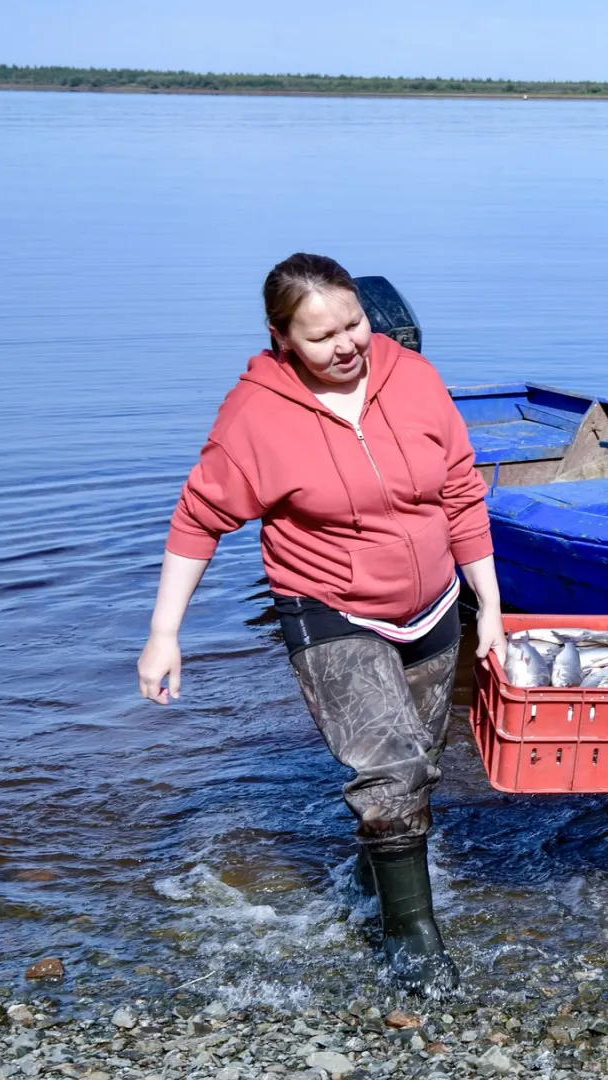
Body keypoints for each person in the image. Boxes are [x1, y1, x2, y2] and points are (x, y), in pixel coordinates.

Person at [136, 254, 503, 993]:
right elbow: (199, 518)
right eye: (321, 336)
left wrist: (488, 603)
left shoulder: (415, 378)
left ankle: (375, 882)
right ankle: (414, 940)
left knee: (416, 772)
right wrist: (163, 633)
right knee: (392, 768)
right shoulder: (256, 415)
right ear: (282, 340)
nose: (347, 346)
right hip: (330, 606)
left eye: (354, 324)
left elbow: (461, 490)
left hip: (434, 606)